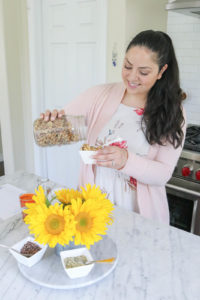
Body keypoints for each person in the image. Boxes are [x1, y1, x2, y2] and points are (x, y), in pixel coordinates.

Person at [40, 30, 186, 224]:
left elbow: (162, 175)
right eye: (127, 66)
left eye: (143, 72)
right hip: (93, 209)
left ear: (161, 71)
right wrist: (49, 124)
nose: (132, 77)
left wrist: (126, 160)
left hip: (139, 214)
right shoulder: (100, 96)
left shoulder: (172, 111)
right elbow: (51, 135)